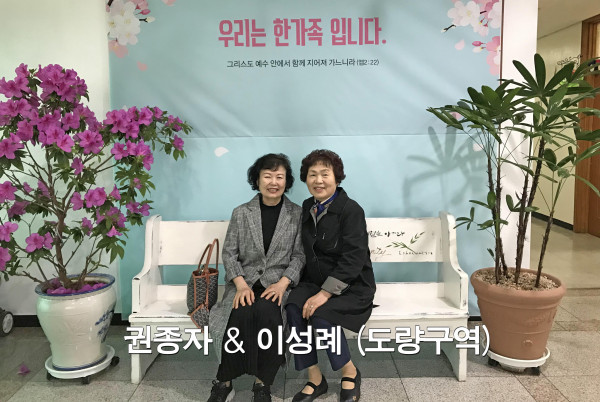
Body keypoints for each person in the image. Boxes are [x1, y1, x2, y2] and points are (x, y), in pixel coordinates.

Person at [207, 153, 305, 402]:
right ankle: (224, 382)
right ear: (257, 179)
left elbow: (299, 256)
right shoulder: (242, 212)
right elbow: (229, 254)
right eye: (268, 176)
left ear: (287, 181)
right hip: (245, 281)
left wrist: (283, 284)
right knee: (239, 313)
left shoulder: (296, 213)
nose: (274, 182)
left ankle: (262, 384)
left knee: (269, 315)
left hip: (278, 283)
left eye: (279, 177)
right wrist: (240, 285)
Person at [285, 149, 376, 402]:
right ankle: (315, 378)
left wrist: (325, 294)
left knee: (321, 316)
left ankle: (350, 371)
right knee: (293, 307)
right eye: (312, 174)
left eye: (325, 174)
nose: (318, 180)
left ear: (337, 177)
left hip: (351, 285)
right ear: (305, 179)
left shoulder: (351, 210)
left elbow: (354, 258)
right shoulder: (307, 207)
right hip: (314, 281)